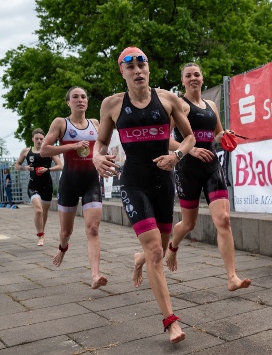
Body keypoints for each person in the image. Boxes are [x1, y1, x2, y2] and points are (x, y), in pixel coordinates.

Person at [92, 46, 195, 343]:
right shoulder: (112, 105)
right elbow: (100, 144)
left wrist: (177, 157)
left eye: (142, 64)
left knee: (157, 253)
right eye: (130, 66)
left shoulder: (167, 99)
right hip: (134, 182)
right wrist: (97, 158)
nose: (137, 70)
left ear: (148, 68)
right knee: (155, 252)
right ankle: (171, 321)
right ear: (121, 72)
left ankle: (139, 259)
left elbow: (187, 137)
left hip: (163, 181)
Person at [165, 62, 251, 292]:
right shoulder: (179, 105)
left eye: (197, 74)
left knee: (223, 219)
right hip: (187, 169)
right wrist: (189, 149)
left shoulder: (211, 105)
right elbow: (165, 139)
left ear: (202, 78)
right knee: (189, 223)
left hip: (212, 166)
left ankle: (232, 277)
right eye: (188, 75)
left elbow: (217, 133)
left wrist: (226, 135)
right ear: (182, 81)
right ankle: (172, 246)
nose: (193, 78)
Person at [41, 86, 108, 290]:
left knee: (93, 228)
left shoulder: (95, 124)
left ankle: (95, 275)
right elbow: (44, 150)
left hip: (91, 182)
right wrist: (71, 146)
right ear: (68, 102)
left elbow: (102, 147)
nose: (80, 100)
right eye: (75, 97)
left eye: (83, 97)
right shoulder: (61, 123)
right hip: (69, 183)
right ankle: (62, 248)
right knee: (65, 231)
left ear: (87, 102)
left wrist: (103, 158)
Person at [15, 128, 63, 246]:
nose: (39, 141)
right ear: (33, 139)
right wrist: (25, 168)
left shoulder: (49, 151)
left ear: (44, 139)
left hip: (47, 185)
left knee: (44, 211)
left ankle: (42, 231)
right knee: (38, 209)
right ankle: (40, 235)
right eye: (37, 139)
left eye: (41, 139)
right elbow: (17, 165)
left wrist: (48, 169)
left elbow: (60, 166)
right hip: (33, 184)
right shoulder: (26, 151)